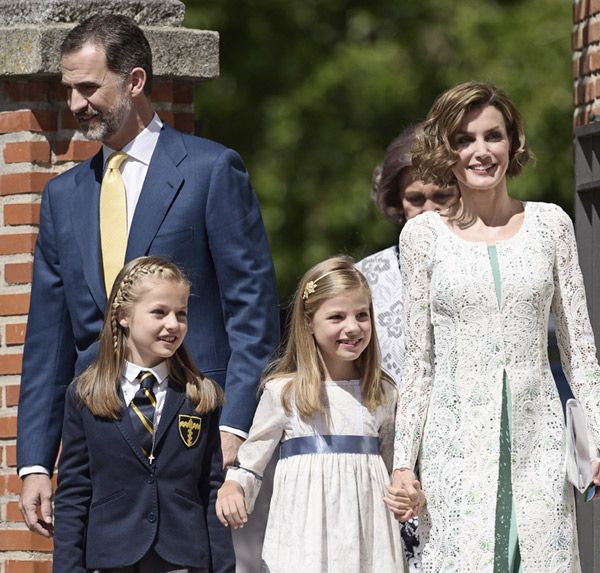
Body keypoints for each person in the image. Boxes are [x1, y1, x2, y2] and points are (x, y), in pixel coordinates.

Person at [16, 13, 279, 547]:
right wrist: (36, 463)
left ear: (135, 81)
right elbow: (49, 339)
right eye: (69, 90)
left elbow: (252, 309)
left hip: (197, 436)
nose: (75, 105)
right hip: (101, 444)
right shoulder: (63, 198)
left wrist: (236, 424)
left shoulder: (210, 170)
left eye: (89, 88)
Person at [390, 81, 600, 572]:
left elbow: (581, 351)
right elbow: (418, 362)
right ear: (446, 150)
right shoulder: (422, 236)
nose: (481, 152)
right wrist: (404, 463)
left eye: (493, 136)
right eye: (464, 139)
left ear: (512, 143)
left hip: (539, 441)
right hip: (455, 442)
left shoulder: (551, 225)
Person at [215, 256, 407, 573]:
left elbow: (391, 467)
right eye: (336, 317)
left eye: (362, 315)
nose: (353, 327)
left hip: (369, 539)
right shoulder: (283, 392)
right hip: (304, 540)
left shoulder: (382, 393)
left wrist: (405, 493)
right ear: (308, 322)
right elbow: (250, 463)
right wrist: (233, 487)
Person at [53, 256, 232, 573]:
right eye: (159, 312)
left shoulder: (201, 396)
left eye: (181, 314)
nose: (173, 324)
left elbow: (211, 489)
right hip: (111, 559)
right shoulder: (86, 396)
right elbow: (73, 493)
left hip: (183, 559)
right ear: (123, 316)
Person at [355, 125, 458, 570]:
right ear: (397, 203)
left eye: (442, 196)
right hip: (384, 470)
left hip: (463, 459)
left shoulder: (483, 271)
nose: (429, 210)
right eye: (417, 199)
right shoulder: (365, 280)